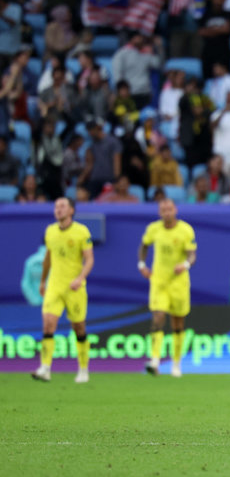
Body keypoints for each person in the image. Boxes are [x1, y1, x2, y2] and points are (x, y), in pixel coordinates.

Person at [32, 197, 94, 383]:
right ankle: (45, 368)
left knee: (79, 327)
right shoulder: (50, 231)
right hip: (54, 286)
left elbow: (89, 260)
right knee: (48, 324)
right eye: (56, 206)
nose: (58, 209)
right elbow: (48, 259)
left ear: (71, 211)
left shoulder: (82, 232)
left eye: (62, 206)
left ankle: (83, 369)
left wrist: (80, 278)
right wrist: (43, 281)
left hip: (74, 288)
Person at [138, 199, 197, 378]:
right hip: (159, 281)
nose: (166, 212)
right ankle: (155, 360)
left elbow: (192, 254)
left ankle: (176, 363)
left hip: (179, 282)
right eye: (163, 209)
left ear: (175, 210)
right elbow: (144, 245)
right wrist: (142, 264)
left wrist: (185, 264)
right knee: (158, 317)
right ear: (159, 212)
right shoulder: (153, 229)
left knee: (177, 323)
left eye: (169, 209)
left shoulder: (185, 230)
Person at [111, 33, 163, 109]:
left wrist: (159, 47)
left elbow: (159, 64)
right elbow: (117, 75)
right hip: (130, 94)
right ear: (133, 38)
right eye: (139, 37)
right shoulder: (121, 54)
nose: (142, 39)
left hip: (145, 93)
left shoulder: (146, 53)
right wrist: (121, 92)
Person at [80, 119, 122, 199]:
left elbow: (117, 161)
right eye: (88, 131)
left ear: (98, 128)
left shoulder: (112, 142)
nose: (90, 133)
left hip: (109, 179)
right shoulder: (91, 144)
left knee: (108, 202)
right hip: (95, 179)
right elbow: (90, 163)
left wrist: (117, 180)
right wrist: (82, 177)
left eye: (91, 130)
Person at [21, 240, 47, 306]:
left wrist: (35, 301)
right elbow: (26, 284)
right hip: (52, 306)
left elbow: (25, 283)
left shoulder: (31, 260)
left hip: (39, 304)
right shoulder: (32, 262)